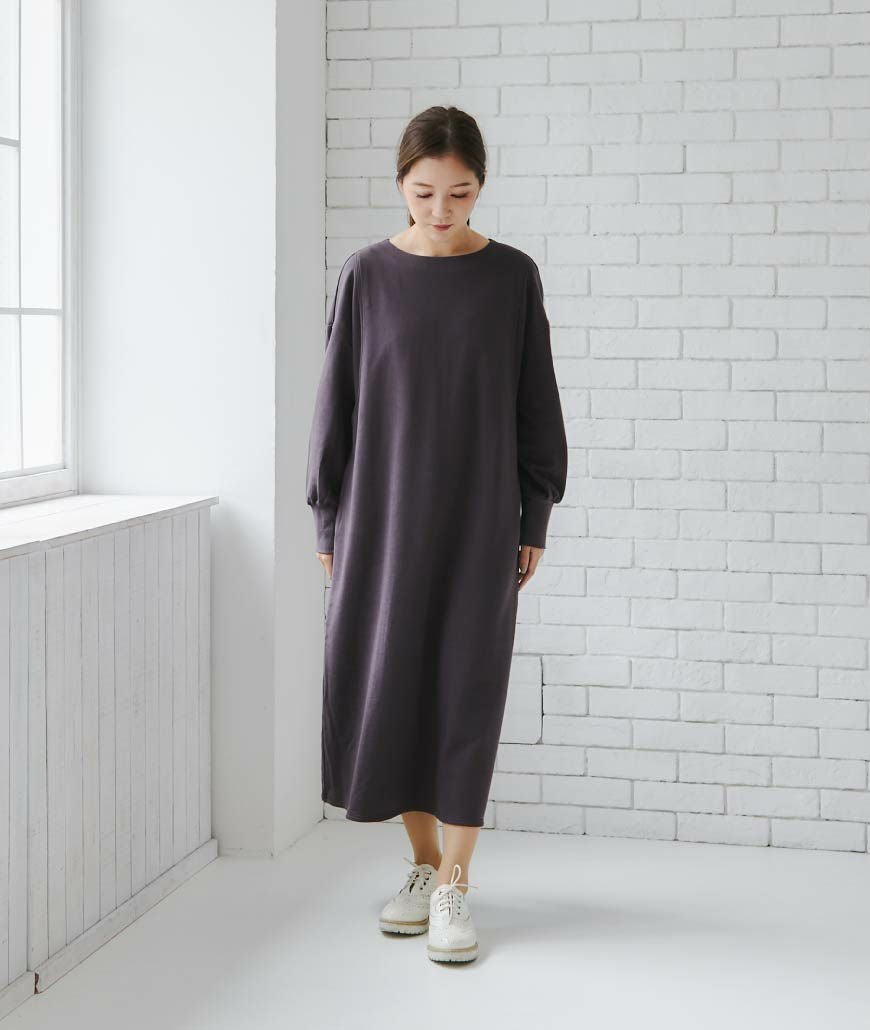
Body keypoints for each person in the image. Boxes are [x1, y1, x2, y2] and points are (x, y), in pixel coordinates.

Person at [306, 105, 568, 964]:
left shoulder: (511, 278)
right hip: (379, 521)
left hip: (481, 519)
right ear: (401, 185)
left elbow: (536, 405)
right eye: (425, 192)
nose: (441, 209)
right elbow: (336, 405)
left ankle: (456, 883)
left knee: (466, 691)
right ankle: (423, 865)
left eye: (459, 192)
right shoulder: (366, 276)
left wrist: (534, 514)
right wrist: (328, 516)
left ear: (480, 187)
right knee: (396, 691)